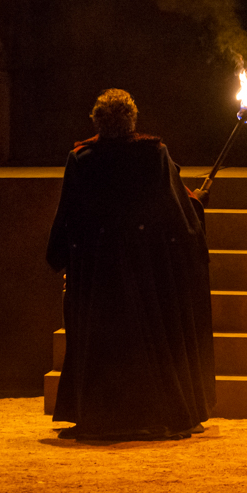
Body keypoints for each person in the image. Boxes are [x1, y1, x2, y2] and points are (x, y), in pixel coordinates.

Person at [47, 89, 216, 440]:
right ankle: (156, 415)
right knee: (147, 338)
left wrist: (60, 255)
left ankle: (99, 417)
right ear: (132, 121)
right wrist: (197, 203)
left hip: (97, 273)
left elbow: (69, 213)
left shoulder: (82, 158)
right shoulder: (154, 155)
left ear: (97, 121)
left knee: (99, 339)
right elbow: (175, 211)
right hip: (145, 273)